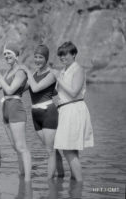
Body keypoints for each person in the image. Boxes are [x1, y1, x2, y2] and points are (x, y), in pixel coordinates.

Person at [20, 44, 64, 179]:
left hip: (48, 114)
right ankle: (60, 178)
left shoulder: (51, 74)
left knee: (49, 151)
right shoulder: (34, 74)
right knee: (52, 150)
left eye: (41, 57)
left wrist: (27, 71)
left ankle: (50, 183)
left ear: (46, 58)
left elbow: (36, 88)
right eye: (36, 57)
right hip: (35, 115)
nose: (37, 60)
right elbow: (21, 89)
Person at [52, 41, 94, 181]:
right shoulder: (64, 70)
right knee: (71, 148)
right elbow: (60, 92)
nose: (62, 57)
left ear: (74, 54)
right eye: (60, 55)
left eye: (65, 54)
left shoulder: (78, 69)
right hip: (65, 110)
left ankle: (79, 183)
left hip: (74, 109)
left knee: (67, 149)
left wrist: (58, 77)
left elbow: (74, 92)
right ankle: (74, 183)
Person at [0, 43, 32, 182]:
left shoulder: (20, 71)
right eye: (5, 54)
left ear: (16, 55)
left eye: (9, 53)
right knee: (15, 147)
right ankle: (21, 175)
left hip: (16, 109)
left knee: (22, 147)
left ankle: (27, 180)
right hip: (6, 109)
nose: (6, 56)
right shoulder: (8, 72)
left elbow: (9, 90)